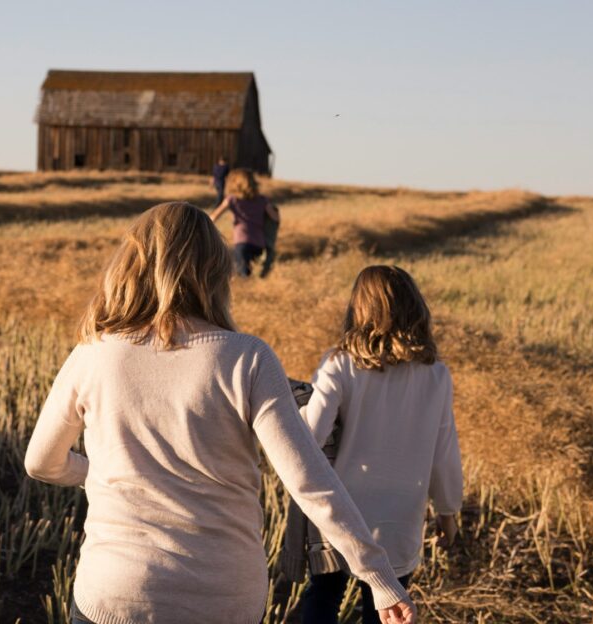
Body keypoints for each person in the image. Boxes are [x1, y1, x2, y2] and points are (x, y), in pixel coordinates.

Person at [23, 202, 416, 624]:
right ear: (215, 269)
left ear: (131, 264)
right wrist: (377, 575)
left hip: (115, 592)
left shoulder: (94, 353)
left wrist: (103, 475)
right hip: (223, 598)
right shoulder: (247, 358)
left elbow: (41, 462)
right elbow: (308, 480)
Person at [295, 265, 463, 624]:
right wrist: (448, 510)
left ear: (358, 309)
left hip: (344, 512)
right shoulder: (436, 375)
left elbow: (310, 435)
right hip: (401, 516)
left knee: (324, 595)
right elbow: (443, 450)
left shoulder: (340, 364)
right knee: (386, 608)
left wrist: (297, 403)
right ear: (416, 309)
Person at [210, 168, 280, 277]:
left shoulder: (232, 200)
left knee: (242, 276)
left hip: (242, 242)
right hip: (259, 244)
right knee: (254, 275)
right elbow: (275, 218)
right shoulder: (262, 200)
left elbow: (214, 216)